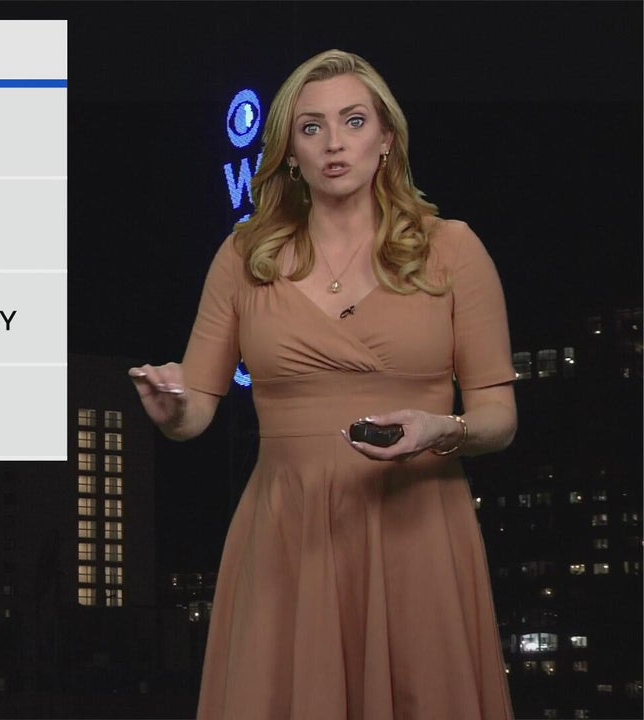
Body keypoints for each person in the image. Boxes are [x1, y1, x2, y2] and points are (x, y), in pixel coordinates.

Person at [130, 49, 517, 719]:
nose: (334, 142)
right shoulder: (243, 258)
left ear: (386, 138)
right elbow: (196, 411)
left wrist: (440, 430)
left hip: (419, 529)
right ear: (289, 151)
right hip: (288, 534)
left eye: (353, 121)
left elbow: (499, 418)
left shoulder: (454, 250)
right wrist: (171, 409)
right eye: (311, 127)